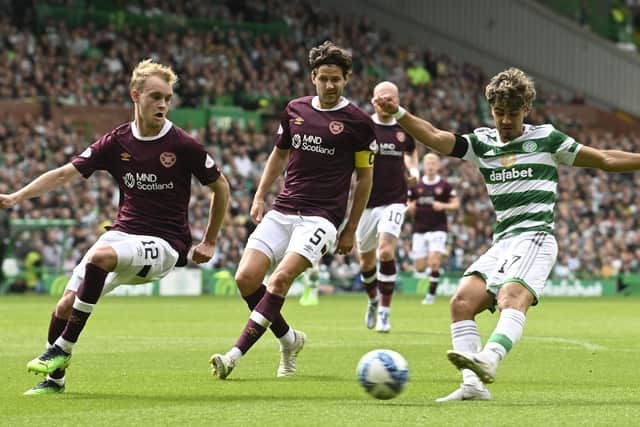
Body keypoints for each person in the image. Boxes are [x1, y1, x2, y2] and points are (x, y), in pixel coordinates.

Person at [373, 67, 640, 402]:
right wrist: (397, 113)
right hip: (504, 241)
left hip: (536, 237)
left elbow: (604, 159)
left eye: (513, 113)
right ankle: (473, 386)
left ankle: (490, 358)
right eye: (499, 113)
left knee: (510, 298)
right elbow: (435, 137)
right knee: (461, 302)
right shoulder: (482, 142)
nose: (505, 120)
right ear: (491, 110)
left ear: (526, 109)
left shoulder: (547, 138)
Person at [0, 59, 230, 395]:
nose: (163, 104)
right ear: (136, 95)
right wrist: (15, 197)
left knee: (100, 257)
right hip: (124, 235)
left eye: (167, 97)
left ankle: (62, 348)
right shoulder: (116, 141)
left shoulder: (183, 145)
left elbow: (220, 187)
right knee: (64, 306)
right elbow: (65, 173)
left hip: (165, 245)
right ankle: (54, 380)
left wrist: (210, 241)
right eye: (155, 96)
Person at [210, 40, 376, 380]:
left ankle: (234, 355)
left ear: (347, 79)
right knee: (245, 279)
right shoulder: (295, 110)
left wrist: (349, 228)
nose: (330, 85)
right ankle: (289, 339)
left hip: (322, 218)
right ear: (313, 76)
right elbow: (279, 154)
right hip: (283, 209)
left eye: (337, 79)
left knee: (281, 278)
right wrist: (260, 195)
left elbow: (364, 178)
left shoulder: (358, 123)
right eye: (324, 78)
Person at [357, 81, 417, 333]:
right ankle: (372, 300)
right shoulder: (364, 126)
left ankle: (384, 311)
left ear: (397, 100)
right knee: (366, 262)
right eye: (382, 98)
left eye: (391, 98)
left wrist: (415, 170)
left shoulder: (404, 128)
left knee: (385, 251)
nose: (386, 102)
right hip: (366, 203)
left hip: (394, 200)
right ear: (373, 100)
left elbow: (411, 152)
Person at [407, 153, 459, 305]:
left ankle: (430, 295)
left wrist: (443, 206)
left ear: (437, 166)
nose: (430, 166)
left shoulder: (444, 186)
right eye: (427, 163)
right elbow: (408, 201)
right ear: (424, 166)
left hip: (438, 227)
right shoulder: (417, 185)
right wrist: (410, 206)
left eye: (433, 163)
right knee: (420, 268)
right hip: (420, 228)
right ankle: (443, 252)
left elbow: (455, 204)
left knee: (434, 263)